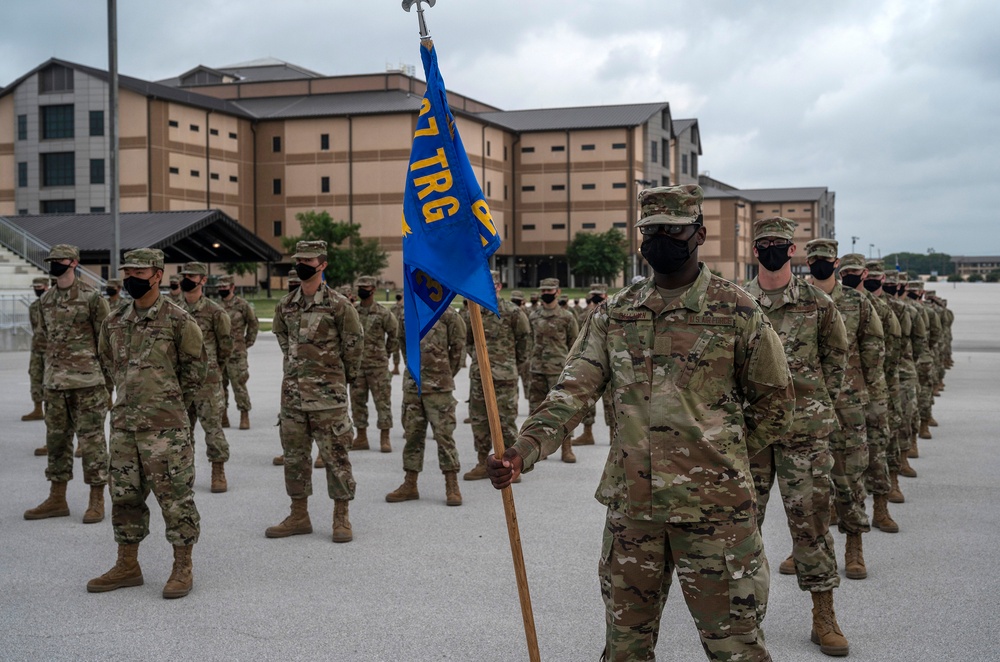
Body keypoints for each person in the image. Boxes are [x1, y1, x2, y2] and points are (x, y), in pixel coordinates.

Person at [489, 185, 793, 662]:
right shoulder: (616, 313)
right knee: (624, 649)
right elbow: (572, 392)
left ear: (699, 234)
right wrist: (522, 450)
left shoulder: (737, 310)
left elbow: (776, 402)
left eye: (672, 230)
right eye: (650, 231)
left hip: (716, 518)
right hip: (634, 515)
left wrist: (721, 455)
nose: (660, 240)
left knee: (736, 648)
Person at [744, 218, 851, 656]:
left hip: (803, 435)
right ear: (755, 251)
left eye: (780, 244)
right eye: (764, 244)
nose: (772, 250)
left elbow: (836, 358)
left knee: (811, 527)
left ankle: (823, 616)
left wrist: (813, 405)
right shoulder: (738, 302)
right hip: (750, 437)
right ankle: (744, 622)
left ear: (793, 252)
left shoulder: (817, 302)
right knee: (741, 531)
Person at [89, 247, 206, 599]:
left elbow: (195, 374)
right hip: (125, 425)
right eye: (127, 273)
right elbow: (108, 361)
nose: (131, 280)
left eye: (139, 273)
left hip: (165, 429)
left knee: (176, 499)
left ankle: (182, 566)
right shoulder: (114, 319)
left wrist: (169, 409)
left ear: (157, 274)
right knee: (124, 497)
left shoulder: (179, 320)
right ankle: (128, 565)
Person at [266, 241, 363, 543]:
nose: (301, 265)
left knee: (336, 458)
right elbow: (282, 336)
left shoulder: (338, 305)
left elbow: (354, 346)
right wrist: (300, 363)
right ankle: (299, 515)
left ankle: (341, 516)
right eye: (298, 259)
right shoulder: (286, 304)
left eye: (308, 260)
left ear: (322, 265)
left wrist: (334, 377)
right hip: (292, 397)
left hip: (328, 399)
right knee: (295, 458)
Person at [804, 243, 883, 581]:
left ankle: (854, 545)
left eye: (826, 260)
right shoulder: (798, 297)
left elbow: (873, 345)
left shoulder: (857, 302)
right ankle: (805, 548)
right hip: (806, 405)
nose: (821, 264)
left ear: (836, 262)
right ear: (807, 262)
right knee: (806, 484)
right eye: (815, 260)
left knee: (849, 476)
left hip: (849, 401)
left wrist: (865, 387)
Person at [24, 245, 111, 526]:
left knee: (92, 441)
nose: (53, 265)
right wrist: (42, 379)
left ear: (74, 263)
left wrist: (108, 387)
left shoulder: (93, 298)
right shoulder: (45, 301)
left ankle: (96, 498)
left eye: (58, 261)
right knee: (57, 441)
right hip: (55, 383)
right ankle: (57, 498)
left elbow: (106, 344)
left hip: (88, 383)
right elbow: (42, 341)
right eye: (50, 261)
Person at [386, 302, 466, 505]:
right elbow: (404, 344)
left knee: (444, 437)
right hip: (413, 385)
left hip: (440, 387)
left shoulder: (448, 314)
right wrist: (415, 371)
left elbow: (458, 349)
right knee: (412, 435)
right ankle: (410, 484)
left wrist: (444, 374)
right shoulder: (407, 315)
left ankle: (452, 484)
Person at [462, 271, 530, 481]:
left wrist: (510, 365)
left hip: (504, 377)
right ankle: (483, 462)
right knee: (479, 421)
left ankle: (510, 466)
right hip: (480, 377)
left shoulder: (512, 312)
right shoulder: (471, 313)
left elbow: (524, 342)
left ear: (499, 286)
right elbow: (467, 341)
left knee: (506, 422)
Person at [178, 262, 233, 493]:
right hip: (180, 382)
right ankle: (184, 473)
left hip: (207, 382)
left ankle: (218, 470)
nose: (186, 280)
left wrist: (212, 368)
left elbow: (225, 347)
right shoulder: (173, 309)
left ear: (202, 280)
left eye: (192, 276)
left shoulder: (215, 311)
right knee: (181, 431)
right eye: (184, 276)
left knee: (213, 429)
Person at [858, 259, 902, 533]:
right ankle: (833, 509)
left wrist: (877, 381)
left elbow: (893, 348)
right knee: (836, 459)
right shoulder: (830, 302)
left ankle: (881, 507)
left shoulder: (884, 309)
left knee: (877, 450)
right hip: (839, 395)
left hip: (873, 391)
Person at [527, 277, 579, 462]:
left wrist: (572, 369)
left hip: (559, 370)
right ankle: (537, 448)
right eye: (544, 291)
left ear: (557, 292)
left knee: (562, 409)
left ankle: (567, 447)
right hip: (537, 369)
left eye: (550, 291)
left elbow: (574, 344)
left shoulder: (567, 317)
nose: (546, 294)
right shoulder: (533, 316)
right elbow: (527, 343)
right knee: (536, 410)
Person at [350, 275, 399, 453]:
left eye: (365, 287)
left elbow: (394, 334)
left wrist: (385, 353)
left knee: (382, 403)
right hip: (357, 367)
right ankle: (361, 437)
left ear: (373, 290)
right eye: (360, 286)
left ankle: (384, 438)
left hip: (378, 366)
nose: (362, 289)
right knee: (357, 402)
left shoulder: (383, 312)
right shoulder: (352, 311)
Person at [569, 283, 614, 447]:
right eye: (593, 295)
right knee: (587, 401)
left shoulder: (614, 314)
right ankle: (587, 434)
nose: (596, 299)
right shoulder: (582, 315)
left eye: (599, 296)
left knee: (611, 403)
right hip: (590, 365)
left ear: (606, 296)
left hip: (610, 363)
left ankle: (613, 436)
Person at [217, 275, 259, 431]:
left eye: (225, 287)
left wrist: (248, 342)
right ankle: (223, 415)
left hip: (237, 353)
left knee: (239, 384)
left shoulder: (242, 305)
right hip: (220, 353)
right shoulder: (216, 305)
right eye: (220, 287)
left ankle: (244, 414)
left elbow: (253, 323)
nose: (222, 289)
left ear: (232, 287)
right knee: (220, 386)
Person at [272, 270, 301, 467]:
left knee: (322, 417)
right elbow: (279, 331)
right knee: (288, 415)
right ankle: (288, 451)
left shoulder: (330, 302)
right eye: (290, 282)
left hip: (321, 372)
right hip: (291, 372)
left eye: (295, 282)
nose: (292, 285)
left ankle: (321, 454)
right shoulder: (284, 304)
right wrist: (290, 352)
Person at [21, 276, 50, 428]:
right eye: (35, 287)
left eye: (39, 286)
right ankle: (38, 408)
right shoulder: (33, 307)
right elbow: (34, 328)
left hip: (51, 349)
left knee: (50, 381)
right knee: (35, 376)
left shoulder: (53, 304)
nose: (37, 289)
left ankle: (50, 411)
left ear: (46, 286)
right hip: (37, 348)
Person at [391, 292, 404, 375]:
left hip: (404, 332)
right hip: (395, 331)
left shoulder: (406, 307)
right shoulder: (393, 307)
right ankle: (396, 367)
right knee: (395, 350)